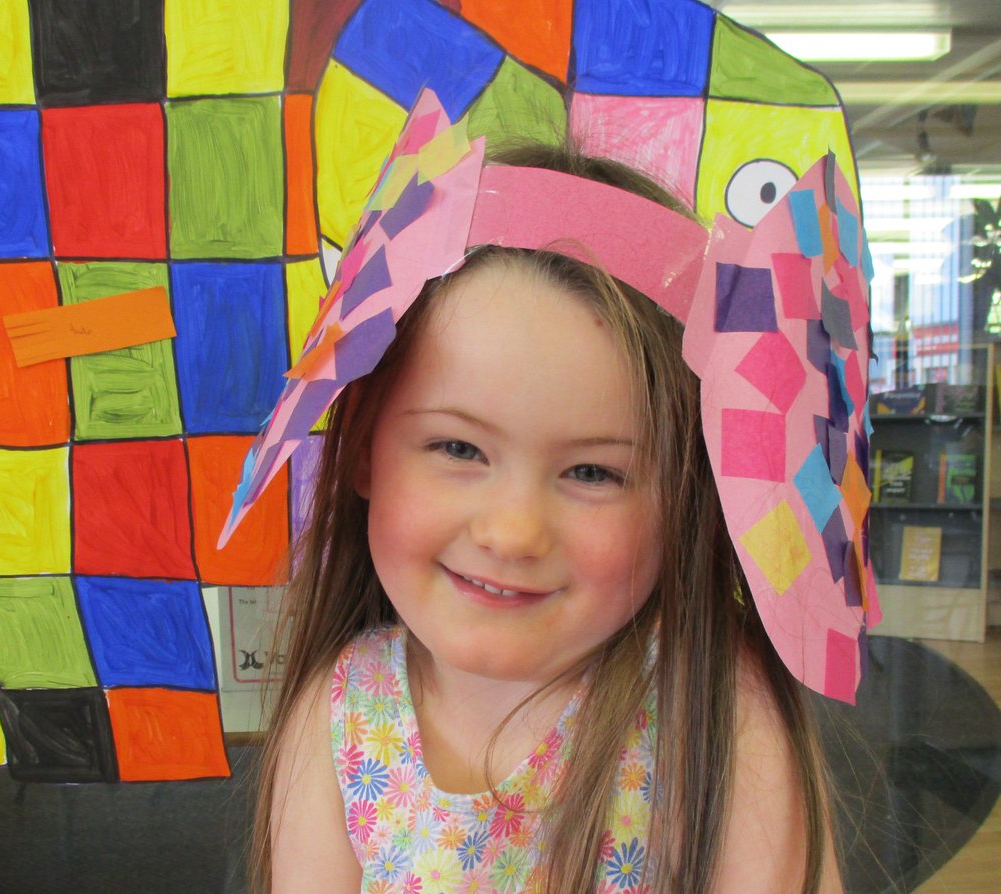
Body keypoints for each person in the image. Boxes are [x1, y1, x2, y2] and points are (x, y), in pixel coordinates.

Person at [241, 135, 849, 893]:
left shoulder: (717, 721)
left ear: (691, 497)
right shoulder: (341, 720)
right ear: (363, 443)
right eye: (458, 448)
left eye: (593, 471)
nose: (513, 531)